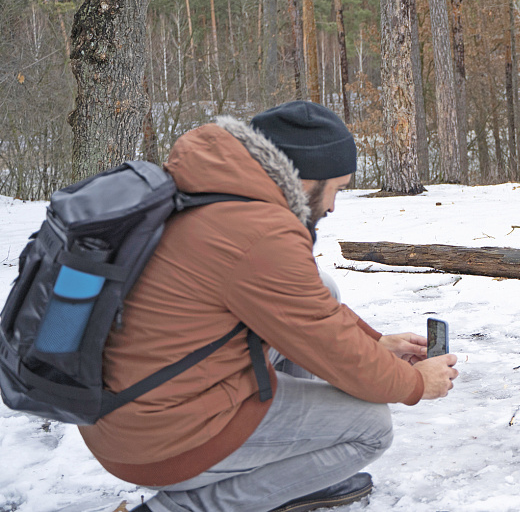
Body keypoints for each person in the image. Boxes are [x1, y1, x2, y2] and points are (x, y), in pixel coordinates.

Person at [78, 101, 459, 512]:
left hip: (125, 408)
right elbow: (330, 344)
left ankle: (296, 474)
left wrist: (378, 342)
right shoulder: (257, 233)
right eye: (337, 188)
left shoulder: (212, 192)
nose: (332, 206)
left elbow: (307, 307)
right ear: (305, 178)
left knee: (325, 287)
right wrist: (418, 385)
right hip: (158, 437)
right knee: (370, 428)